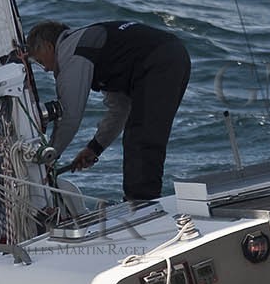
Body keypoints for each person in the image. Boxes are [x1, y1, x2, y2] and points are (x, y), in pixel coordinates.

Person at [23, 19, 191, 202]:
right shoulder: (97, 46)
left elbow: (70, 116)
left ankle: (142, 204)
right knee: (143, 133)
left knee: (141, 137)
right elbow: (120, 109)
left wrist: (49, 157)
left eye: (41, 61)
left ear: (49, 46)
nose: (46, 69)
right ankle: (143, 201)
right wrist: (95, 148)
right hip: (173, 53)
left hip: (159, 61)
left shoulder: (72, 52)